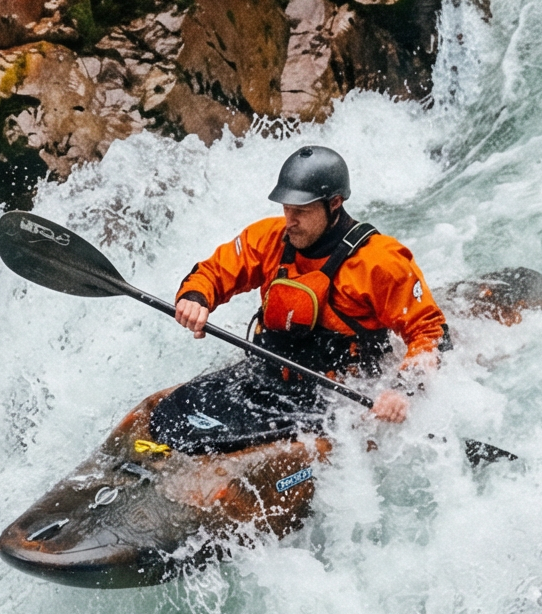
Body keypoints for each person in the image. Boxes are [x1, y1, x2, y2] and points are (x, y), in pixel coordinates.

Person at [172, 145, 444, 424]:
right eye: (286, 208)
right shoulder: (270, 237)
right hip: (268, 380)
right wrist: (196, 298)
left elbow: (430, 333)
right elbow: (215, 271)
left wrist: (403, 391)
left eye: (301, 210)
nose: (290, 221)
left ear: (335, 203)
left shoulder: (378, 262)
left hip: (341, 401)